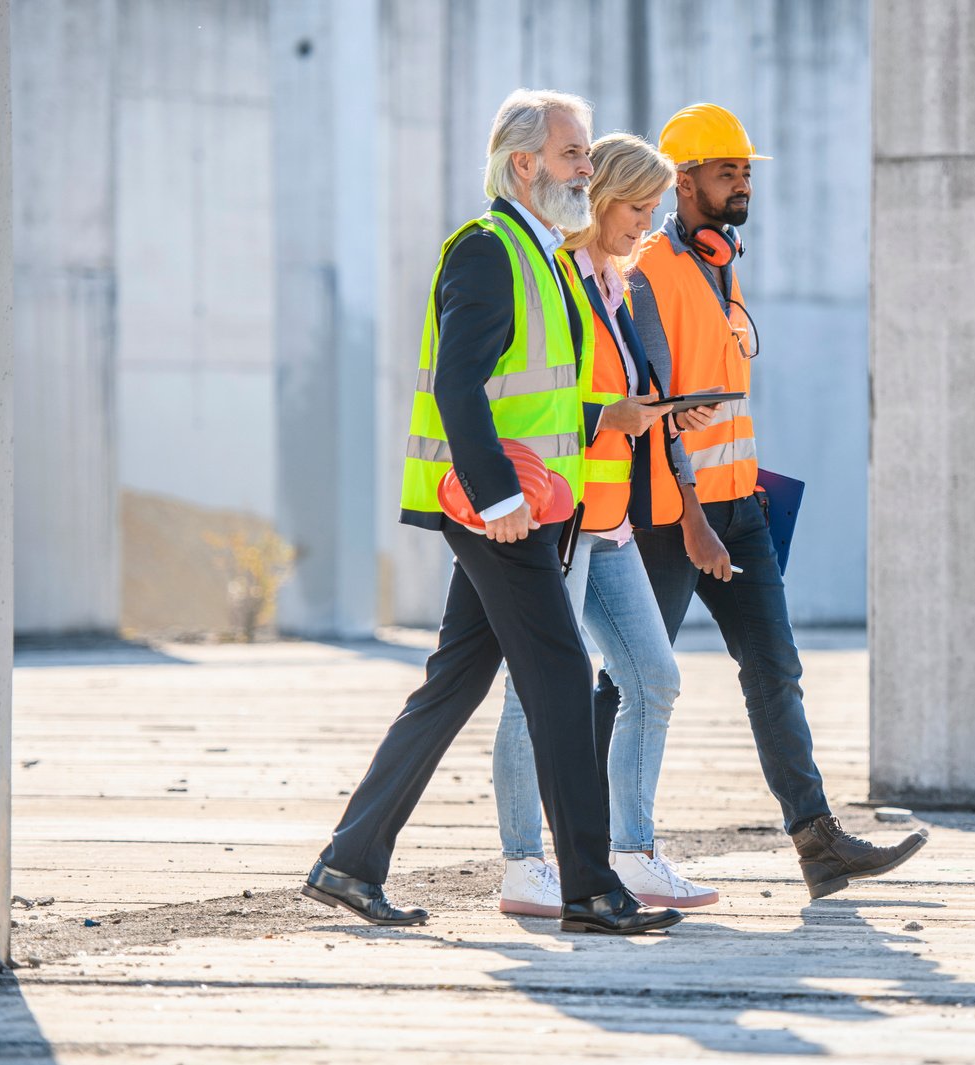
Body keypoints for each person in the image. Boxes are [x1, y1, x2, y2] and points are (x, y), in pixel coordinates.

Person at [301, 89, 681, 936]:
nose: (587, 168)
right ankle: (590, 888)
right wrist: (500, 498)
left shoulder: (538, 250)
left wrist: (587, 437)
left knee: (456, 679)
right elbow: (462, 389)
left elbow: (537, 399)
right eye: (574, 154)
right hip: (498, 510)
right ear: (525, 163)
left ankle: (349, 861)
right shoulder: (485, 250)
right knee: (561, 677)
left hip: (529, 504)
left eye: (583, 154)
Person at [602, 103, 929, 900]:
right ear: (683, 183)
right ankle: (592, 847)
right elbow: (654, 413)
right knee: (632, 683)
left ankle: (817, 842)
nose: (742, 181)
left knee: (775, 669)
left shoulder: (721, 264)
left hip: (741, 506)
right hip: (676, 517)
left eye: (746, 168)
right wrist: (692, 520)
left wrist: (735, 506)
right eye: (727, 170)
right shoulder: (648, 275)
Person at [490, 133, 724, 918]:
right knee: (534, 693)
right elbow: (540, 398)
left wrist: (654, 411)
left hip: (611, 516)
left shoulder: (616, 282)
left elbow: (619, 391)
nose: (648, 220)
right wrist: (605, 414)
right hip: (561, 518)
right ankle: (524, 865)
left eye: (656, 207)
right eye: (637, 205)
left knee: (652, 677)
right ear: (599, 200)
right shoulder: (555, 276)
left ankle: (632, 852)